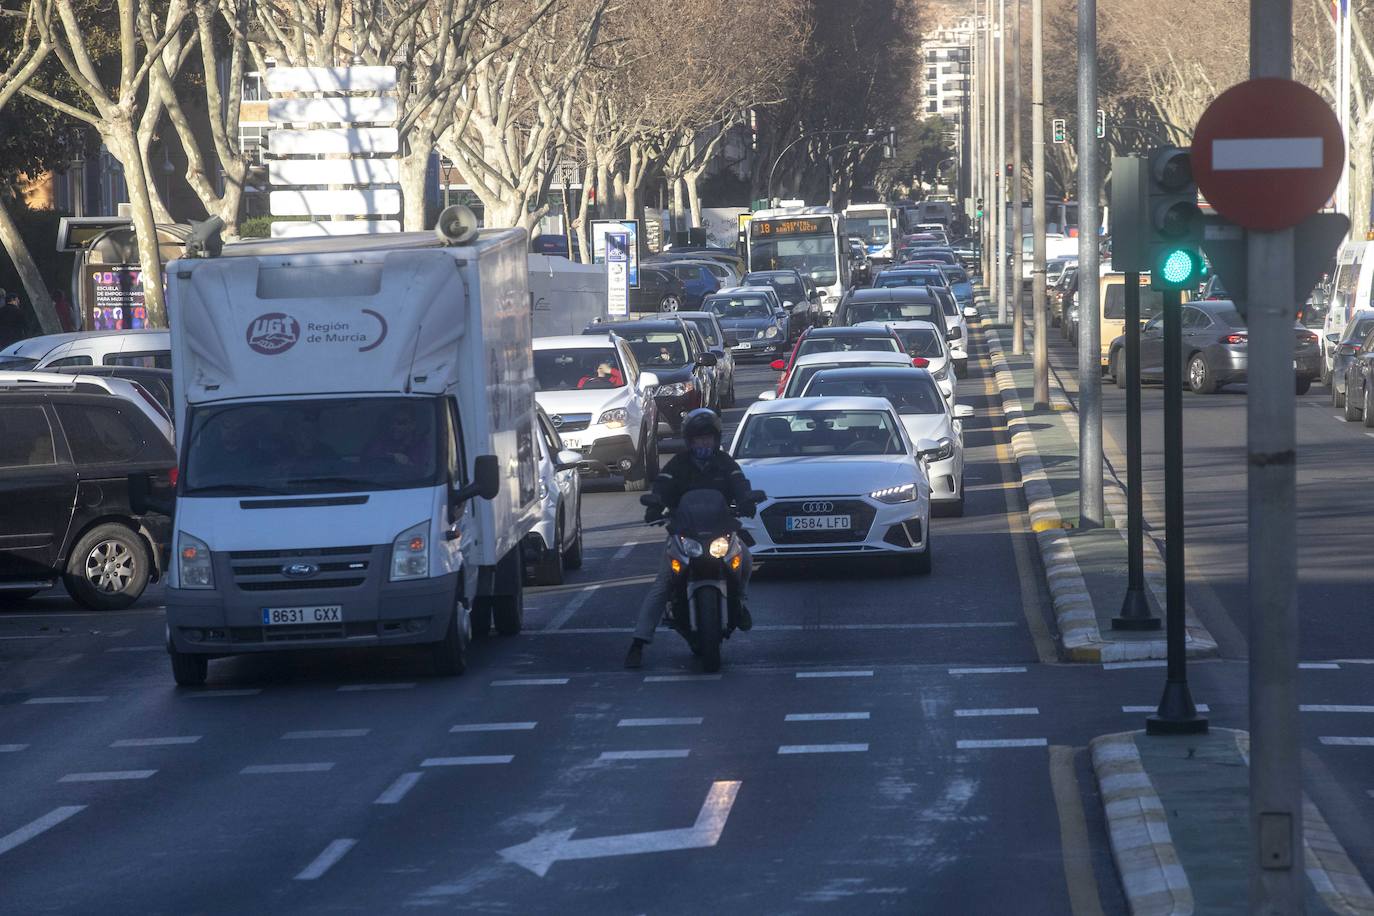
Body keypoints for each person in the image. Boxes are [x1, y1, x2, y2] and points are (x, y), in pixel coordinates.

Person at [625, 408, 756, 669]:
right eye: (698, 439)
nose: (703, 443)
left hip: (720, 532)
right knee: (662, 583)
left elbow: (740, 483)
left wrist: (747, 500)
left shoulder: (726, 463)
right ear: (689, 441)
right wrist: (655, 503)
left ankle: (739, 602)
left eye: (708, 438)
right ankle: (638, 642)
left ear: (716, 439)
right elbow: (661, 485)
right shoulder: (678, 464)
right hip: (685, 534)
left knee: (748, 559)